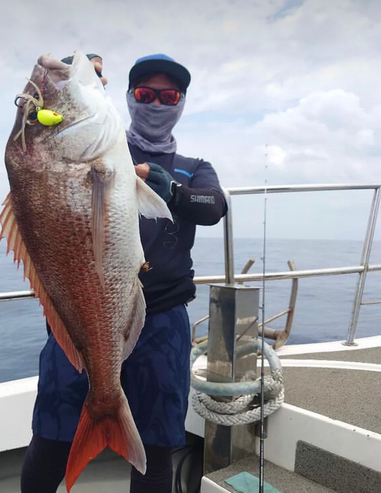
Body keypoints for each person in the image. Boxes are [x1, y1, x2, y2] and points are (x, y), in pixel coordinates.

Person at [21, 53, 227, 493]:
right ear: (127, 98)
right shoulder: (103, 145)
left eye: (167, 95)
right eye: (144, 94)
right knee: (51, 439)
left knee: (153, 450)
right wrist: (61, 93)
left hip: (163, 320)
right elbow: (44, 154)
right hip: (80, 320)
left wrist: (173, 190)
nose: (155, 103)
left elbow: (216, 207)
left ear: (182, 102)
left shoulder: (194, 167)